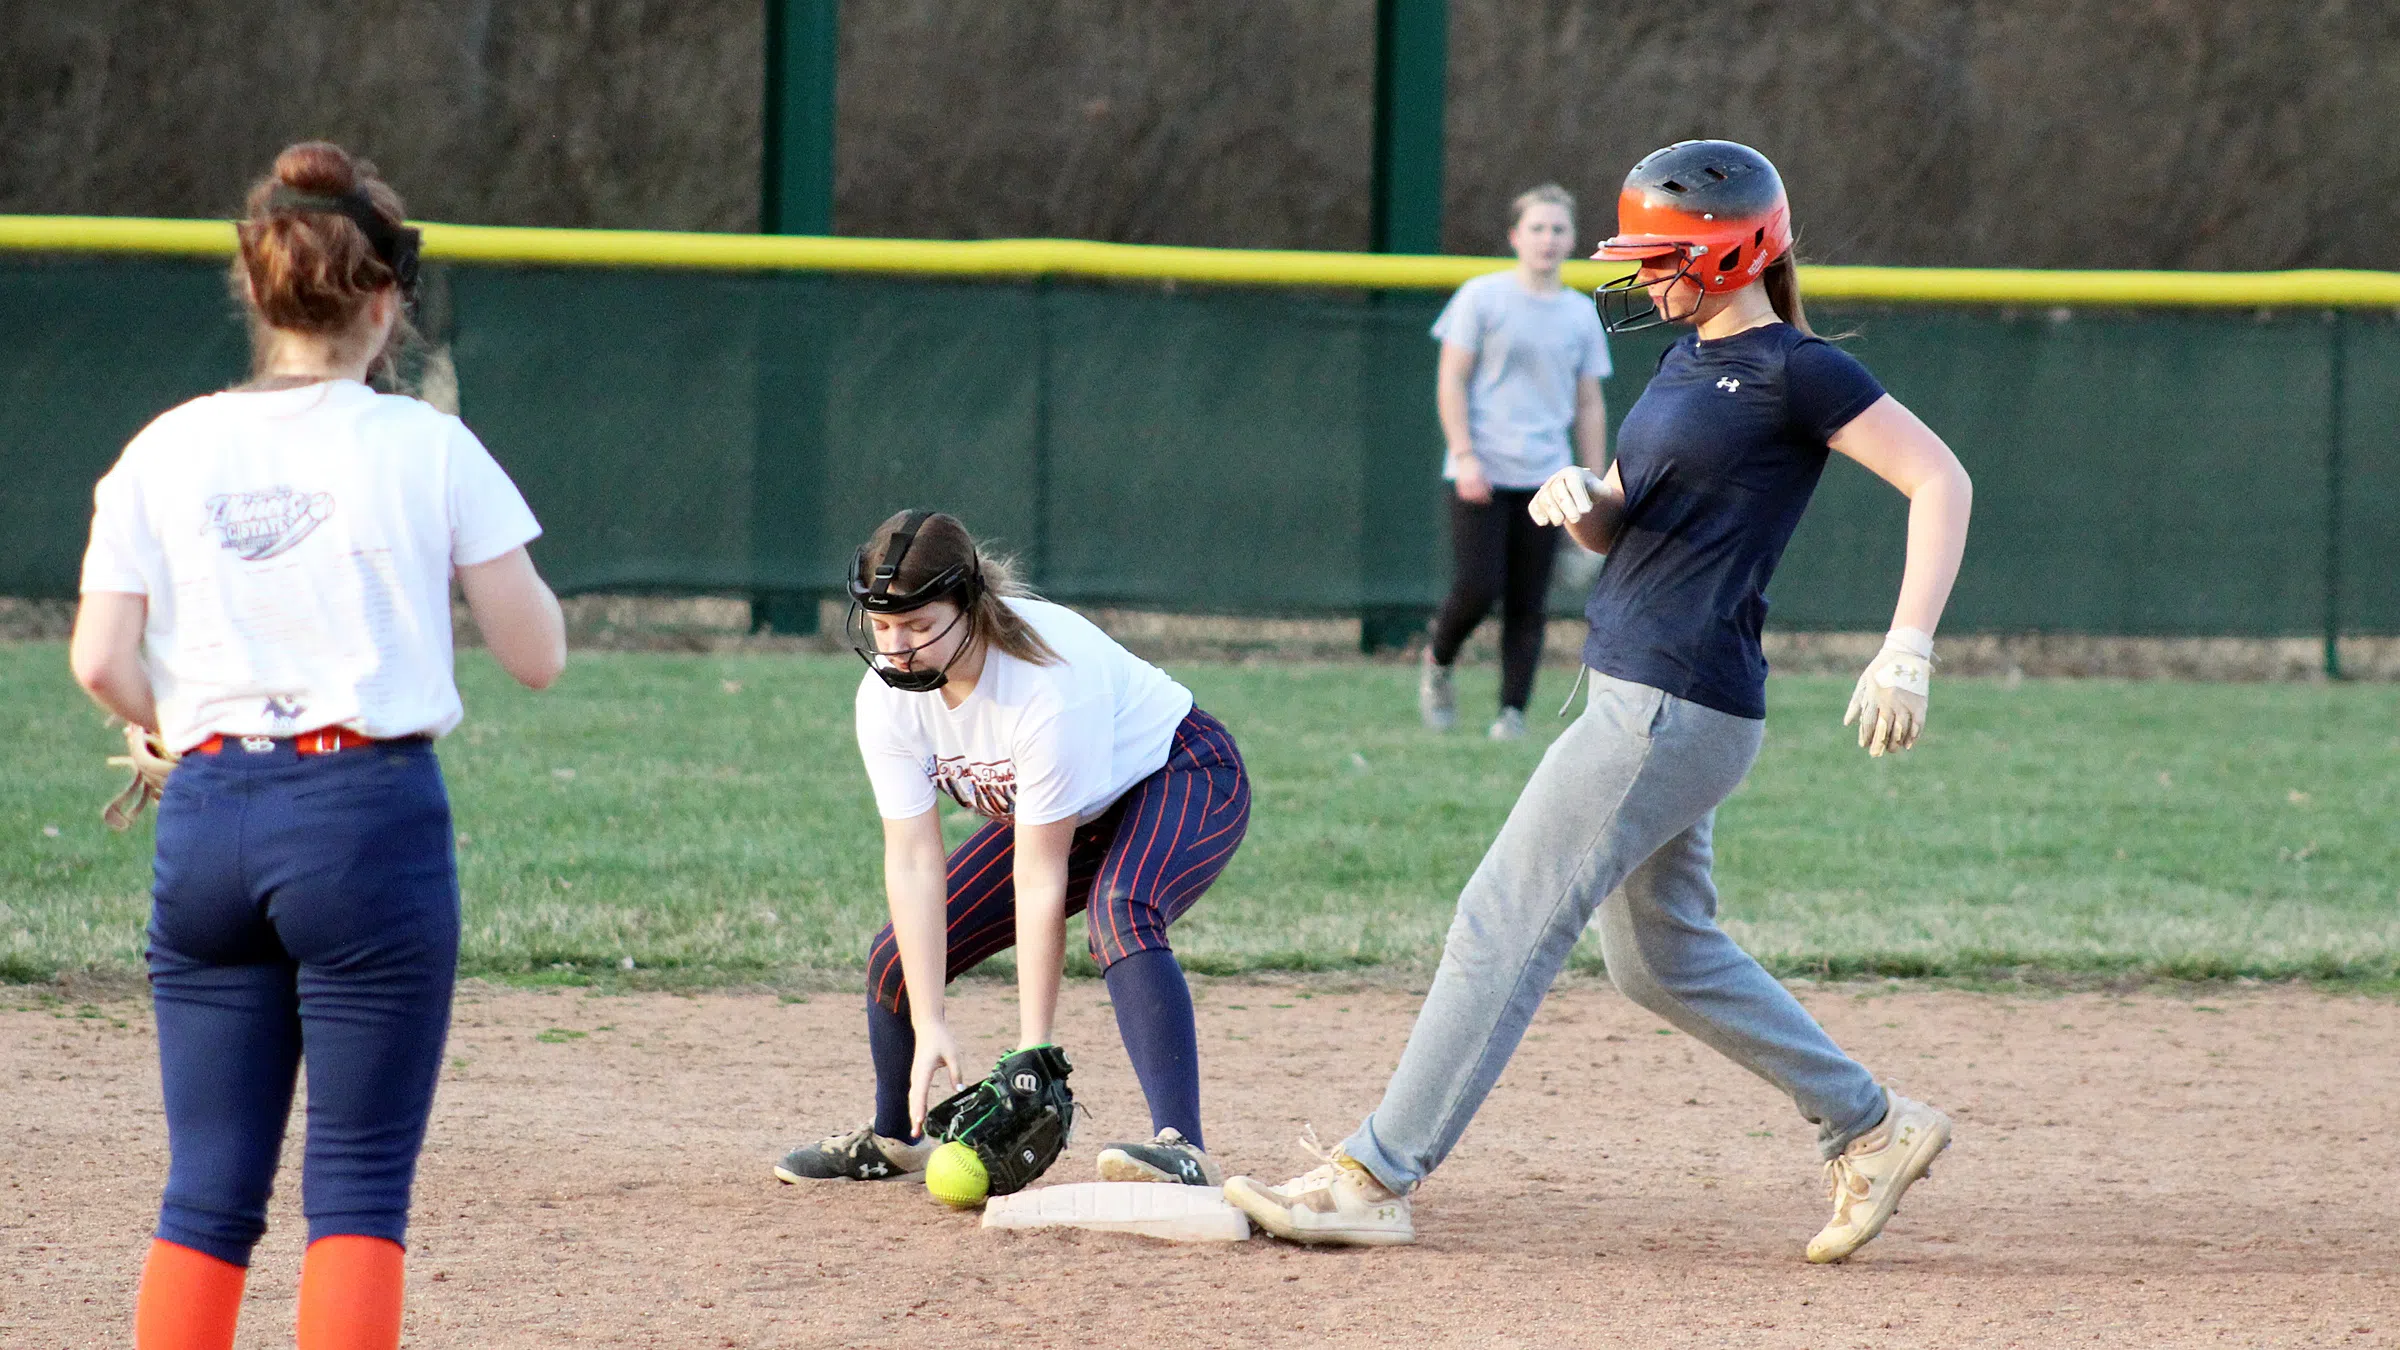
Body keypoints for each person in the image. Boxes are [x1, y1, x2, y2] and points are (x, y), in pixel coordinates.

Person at [1226, 140, 1974, 1263]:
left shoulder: (1797, 368)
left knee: (1501, 919)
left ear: (1738, 251)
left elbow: (1940, 479)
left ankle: (1374, 1175)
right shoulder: (1684, 361)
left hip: (1670, 704)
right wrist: (1588, 506)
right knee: (1659, 957)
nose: (1644, 277)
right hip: (1648, 692)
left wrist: (1906, 645)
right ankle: (1872, 1125)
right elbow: (1640, 508)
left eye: (1667, 257)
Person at [69, 141, 567, 1349]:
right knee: (354, 1192)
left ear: (253, 287)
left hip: (210, 818)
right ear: (388, 300)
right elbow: (535, 651)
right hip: (365, 819)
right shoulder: (422, 443)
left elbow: (97, 660)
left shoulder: (167, 443)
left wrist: (167, 721)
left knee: (207, 1192)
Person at [773, 510, 1251, 1190]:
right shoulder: (887, 698)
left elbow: (1040, 876)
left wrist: (1034, 1048)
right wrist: (931, 1015)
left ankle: (1184, 1146)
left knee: (1123, 910)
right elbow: (912, 859)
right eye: (882, 626)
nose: (896, 647)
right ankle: (898, 1137)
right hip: (1066, 813)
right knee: (895, 960)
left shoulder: (1045, 683)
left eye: (916, 624)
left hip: (1180, 775)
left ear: (968, 605)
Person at [1420, 183, 1613, 741]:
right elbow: (1451, 379)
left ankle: (1511, 715)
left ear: (1573, 239)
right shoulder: (1481, 298)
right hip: (1481, 470)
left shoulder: (1580, 314)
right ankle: (1438, 661)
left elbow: (1588, 403)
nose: (1548, 240)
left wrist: (1594, 481)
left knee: (1529, 601)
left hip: (1546, 476)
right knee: (1479, 586)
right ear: (1514, 237)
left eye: (1558, 229)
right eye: (1537, 229)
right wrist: (1464, 455)